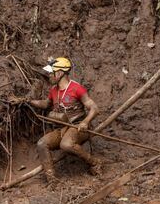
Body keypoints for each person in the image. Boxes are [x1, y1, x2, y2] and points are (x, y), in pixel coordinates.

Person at [13, 57, 101, 186]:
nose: (49, 76)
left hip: (78, 127)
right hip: (61, 129)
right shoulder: (54, 90)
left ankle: (95, 162)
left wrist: (85, 122)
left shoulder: (76, 88)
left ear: (59, 73)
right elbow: (45, 104)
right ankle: (52, 180)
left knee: (66, 145)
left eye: (51, 72)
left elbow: (94, 108)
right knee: (42, 143)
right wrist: (26, 101)